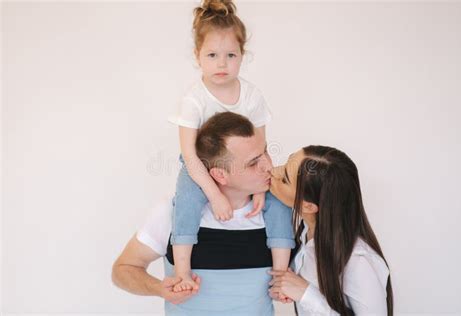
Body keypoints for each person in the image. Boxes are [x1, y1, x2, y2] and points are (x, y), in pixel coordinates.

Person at [112, 112, 295, 315]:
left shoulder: (280, 212)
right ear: (219, 175)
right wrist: (158, 289)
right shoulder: (173, 212)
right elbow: (123, 269)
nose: (268, 165)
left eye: (266, 151)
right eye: (253, 163)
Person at [167, 0, 291, 292]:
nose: (221, 64)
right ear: (198, 56)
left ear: (242, 56)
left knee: (279, 201)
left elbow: (261, 147)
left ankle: (282, 276)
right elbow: (189, 154)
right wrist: (214, 194)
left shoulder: (251, 95)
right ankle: (183, 272)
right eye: (212, 55)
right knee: (186, 200)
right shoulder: (194, 99)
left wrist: (261, 185)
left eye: (230, 55)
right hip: (201, 166)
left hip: (243, 165)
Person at [268, 146, 394, 315]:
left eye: (284, 179)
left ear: (308, 206)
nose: (274, 171)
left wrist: (306, 294)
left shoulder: (358, 262)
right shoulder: (306, 236)